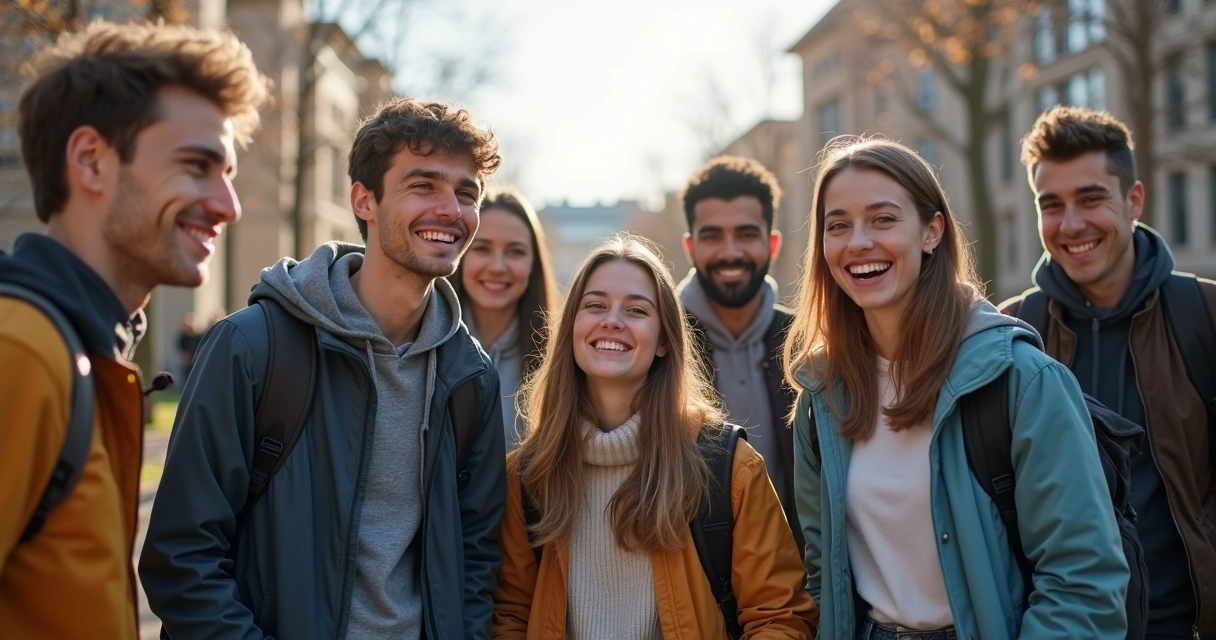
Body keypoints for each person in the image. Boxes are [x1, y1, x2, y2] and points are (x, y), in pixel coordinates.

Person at [139, 96, 507, 639]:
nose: (451, 210)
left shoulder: (471, 376)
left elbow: (477, 559)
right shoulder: (251, 346)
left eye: (466, 193)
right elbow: (182, 555)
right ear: (364, 200)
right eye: (422, 186)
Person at [785, 136, 1129, 639]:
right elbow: (823, 577)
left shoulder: (1023, 381)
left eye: (883, 219)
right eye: (838, 225)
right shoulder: (822, 397)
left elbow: (1083, 585)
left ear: (931, 232)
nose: (858, 242)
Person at [0, 20, 266, 639]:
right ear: (92, 160)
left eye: (226, 172)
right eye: (197, 165)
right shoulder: (22, 352)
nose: (229, 205)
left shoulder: (81, 350)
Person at [494, 234, 817, 639]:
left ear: (665, 340)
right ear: (572, 328)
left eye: (636, 310)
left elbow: (779, 617)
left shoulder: (729, 467)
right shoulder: (526, 476)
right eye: (595, 305)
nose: (612, 320)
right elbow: (508, 616)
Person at [1001, 105, 1216, 640]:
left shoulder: (1206, 316)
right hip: (1056, 628)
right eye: (1051, 205)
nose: (1071, 225)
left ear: (1134, 199)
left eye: (1091, 199)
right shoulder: (1009, 334)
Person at [677, 155, 801, 549]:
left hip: (799, 584)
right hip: (692, 588)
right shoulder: (658, 343)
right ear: (690, 246)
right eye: (713, 236)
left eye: (746, 234)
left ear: (773, 243)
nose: (730, 252)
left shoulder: (808, 341)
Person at [452, 187, 558, 449]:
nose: (498, 267)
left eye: (515, 252)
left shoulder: (559, 362)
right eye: (482, 248)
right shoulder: (421, 346)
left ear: (534, 264)